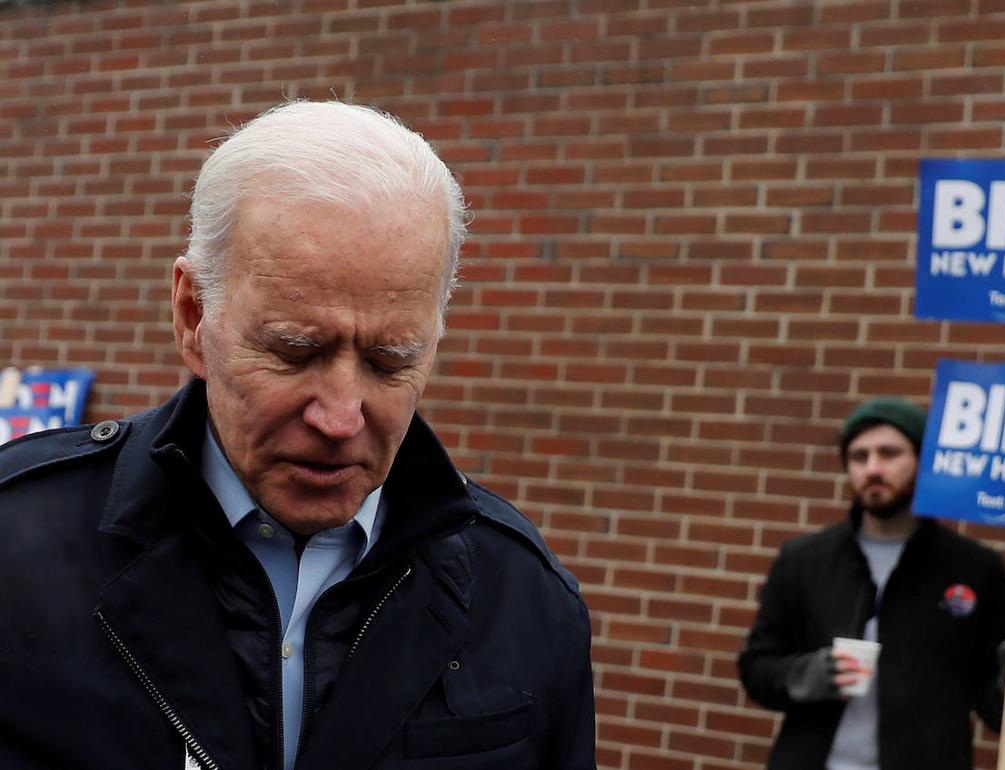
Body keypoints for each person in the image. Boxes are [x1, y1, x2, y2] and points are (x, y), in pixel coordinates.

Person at [0, 101, 595, 770]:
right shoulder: (18, 551)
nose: (341, 418)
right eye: (295, 351)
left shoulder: (525, 599)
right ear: (193, 315)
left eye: (390, 360)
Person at [738, 397, 1005, 770]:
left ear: (923, 462)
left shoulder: (974, 568)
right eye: (859, 457)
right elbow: (756, 667)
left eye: (889, 454)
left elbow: (996, 710)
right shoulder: (804, 559)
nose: (872, 469)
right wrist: (804, 675)